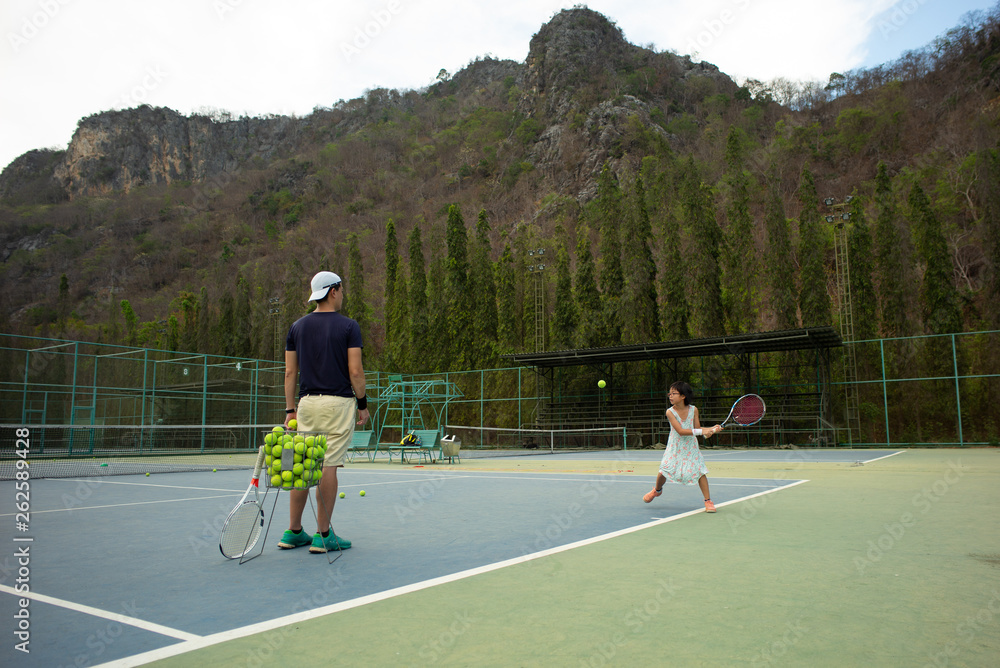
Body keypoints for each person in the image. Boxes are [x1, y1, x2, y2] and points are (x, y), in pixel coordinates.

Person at [278, 271, 370, 552]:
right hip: (337, 404)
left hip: (306, 405)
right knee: (328, 465)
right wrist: (363, 404)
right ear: (333, 291)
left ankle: (294, 532)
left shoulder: (296, 327)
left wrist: (291, 409)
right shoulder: (349, 326)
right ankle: (323, 535)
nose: (343, 294)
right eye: (341, 289)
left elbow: (289, 372)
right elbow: (355, 371)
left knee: (302, 465)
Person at [643, 381, 723, 512]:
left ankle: (708, 501)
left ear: (683, 396)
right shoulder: (670, 412)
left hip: (691, 447)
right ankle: (657, 491)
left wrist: (711, 429)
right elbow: (681, 431)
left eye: (674, 393)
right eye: (669, 393)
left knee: (700, 472)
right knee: (664, 469)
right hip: (675, 446)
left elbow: (697, 429)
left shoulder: (693, 410)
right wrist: (702, 431)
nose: (670, 395)